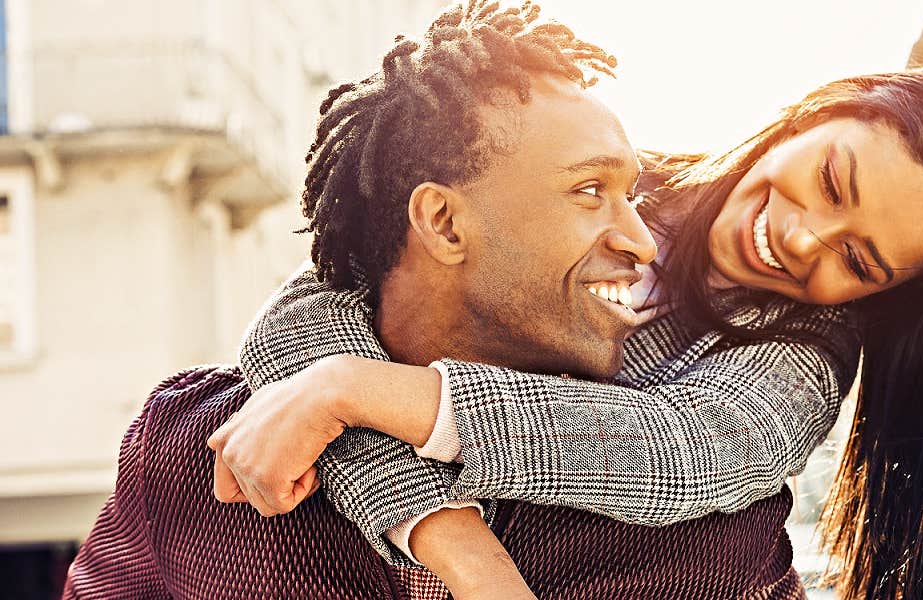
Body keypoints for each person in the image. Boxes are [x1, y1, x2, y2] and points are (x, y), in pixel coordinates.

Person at [214, 59, 923, 600]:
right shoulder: (602, 174)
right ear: (812, 115)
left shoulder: (801, 358)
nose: (803, 237)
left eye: (858, 262)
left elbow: (677, 456)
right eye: (828, 178)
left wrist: (354, 391)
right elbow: (315, 314)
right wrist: (450, 538)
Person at [59, 3, 761, 598]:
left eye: (631, 195)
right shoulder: (187, 454)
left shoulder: (713, 530)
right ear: (444, 223)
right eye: (589, 191)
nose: (641, 241)